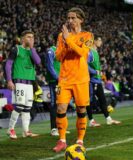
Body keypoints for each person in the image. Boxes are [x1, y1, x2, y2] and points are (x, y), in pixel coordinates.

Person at [53, 7, 93, 152]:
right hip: (64, 79)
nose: (70, 21)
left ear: (80, 19)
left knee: (81, 109)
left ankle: (80, 140)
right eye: (68, 18)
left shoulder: (88, 36)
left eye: (73, 18)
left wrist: (68, 39)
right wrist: (64, 41)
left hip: (81, 79)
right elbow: (58, 56)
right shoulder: (61, 36)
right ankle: (62, 140)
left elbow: (83, 52)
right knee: (60, 108)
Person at [5, 30, 41, 139]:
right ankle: (10, 129)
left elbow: (38, 62)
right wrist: (9, 80)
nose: (31, 39)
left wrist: (32, 48)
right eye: (28, 37)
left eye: (32, 37)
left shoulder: (32, 51)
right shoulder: (17, 49)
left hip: (30, 83)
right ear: (22, 39)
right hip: (19, 82)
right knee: (19, 106)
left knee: (27, 108)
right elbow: (8, 64)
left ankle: (26, 131)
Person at [87, 34, 121, 127]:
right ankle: (91, 120)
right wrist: (95, 72)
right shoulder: (89, 52)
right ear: (95, 41)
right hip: (91, 81)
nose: (101, 42)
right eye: (100, 40)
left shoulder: (95, 52)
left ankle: (108, 119)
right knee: (89, 101)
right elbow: (85, 65)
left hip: (97, 81)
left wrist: (99, 73)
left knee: (102, 99)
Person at [46, 45, 60, 136]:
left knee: (61, 103)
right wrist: (57, 77)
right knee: (54, 103)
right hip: (54, 81)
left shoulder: (63, 50)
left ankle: (60, 127)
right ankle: (53, 129)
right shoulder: (51, 50)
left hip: (62, 81)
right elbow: (49, 66)